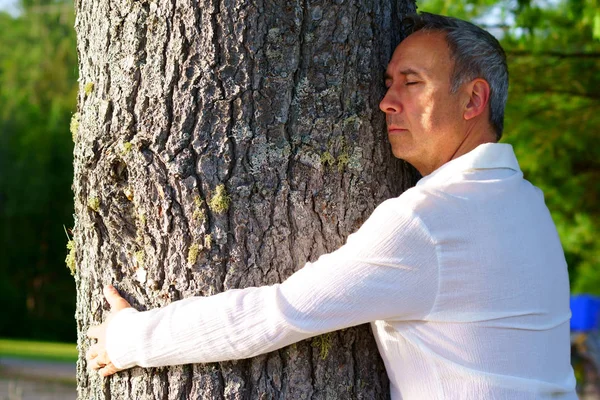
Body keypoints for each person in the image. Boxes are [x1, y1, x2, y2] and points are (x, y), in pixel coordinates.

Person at [87, 12, 577, 399]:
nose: (386, 101)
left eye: (411, 82)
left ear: (473, 100)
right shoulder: (527, 205)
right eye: (389, 83)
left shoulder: (430, 222)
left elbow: (279, 313)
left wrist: (132, 340)